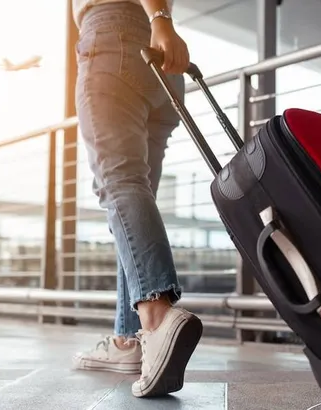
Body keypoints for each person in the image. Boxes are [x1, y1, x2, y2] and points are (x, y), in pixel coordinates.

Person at [69, 0, 203, 399]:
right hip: (155, 60)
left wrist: (160, 18)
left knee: (119, 184)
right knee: (133, 197)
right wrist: (158, 22)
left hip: (115, 39)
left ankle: (157, 317)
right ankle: (130, 340)